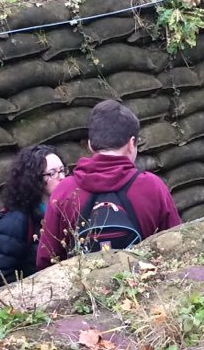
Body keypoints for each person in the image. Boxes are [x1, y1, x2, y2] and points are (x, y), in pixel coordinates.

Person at [36, 100, 181, 269]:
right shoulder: (152, 186)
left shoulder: (64, 191)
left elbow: (46, 260)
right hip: (145, 289)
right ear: (131, 143)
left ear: (90, 144)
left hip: (87, 292)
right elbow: (176, 243)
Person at [0, 145, 65, 293]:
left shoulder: (60, 210)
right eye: (52, 173)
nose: (61, 177)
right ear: (34, 179)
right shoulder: (16, 222)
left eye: (62, 170)